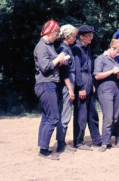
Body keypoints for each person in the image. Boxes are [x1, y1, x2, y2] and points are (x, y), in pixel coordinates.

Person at [34, 19, 66, 160]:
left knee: (47, 116)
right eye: (57, 33)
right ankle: (44, 150)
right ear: (51, 32)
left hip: (49, 83)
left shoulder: (49, 45)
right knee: (53, 117)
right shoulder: (41, 47)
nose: (58, 36)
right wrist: (58, 58)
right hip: (46, 84)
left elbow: (51, 64)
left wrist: (60, 61)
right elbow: (45, 67)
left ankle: (43, 146)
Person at [72, 25, 102, 150]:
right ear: (82, 37)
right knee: (81, 115)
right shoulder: (76, 49)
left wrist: (93, 84)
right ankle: (78, 141)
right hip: (82, 83)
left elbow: (89, 67)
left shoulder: (87, 48)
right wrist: (81, 87)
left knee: (92, 113)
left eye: (92, 35)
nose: (91, 38)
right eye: (89, 36)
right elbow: (77, 70)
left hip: (89, 82)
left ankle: (97, 139)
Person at [94, 39, 119, 152]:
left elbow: (115, 76)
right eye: (117, 51)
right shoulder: (100, 59)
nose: (118, 54)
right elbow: (97, 76)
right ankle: (105, 143)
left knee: (115, 117)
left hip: (116, 88)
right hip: (105, 89)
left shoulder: (115, 60)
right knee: (108, 117)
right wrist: (112, 71)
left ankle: (113, 139)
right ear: (112, 48)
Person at [56, 24, 78, 153]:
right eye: (74, 36)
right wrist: (70, 89)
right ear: (68, 36)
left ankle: (62, 141)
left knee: (65, 113)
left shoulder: (67, 48)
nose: (75, 39)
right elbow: (64, 72)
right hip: (67, 85)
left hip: (69, 82)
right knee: (65, 113)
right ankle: (60, 144)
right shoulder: (63, 49)